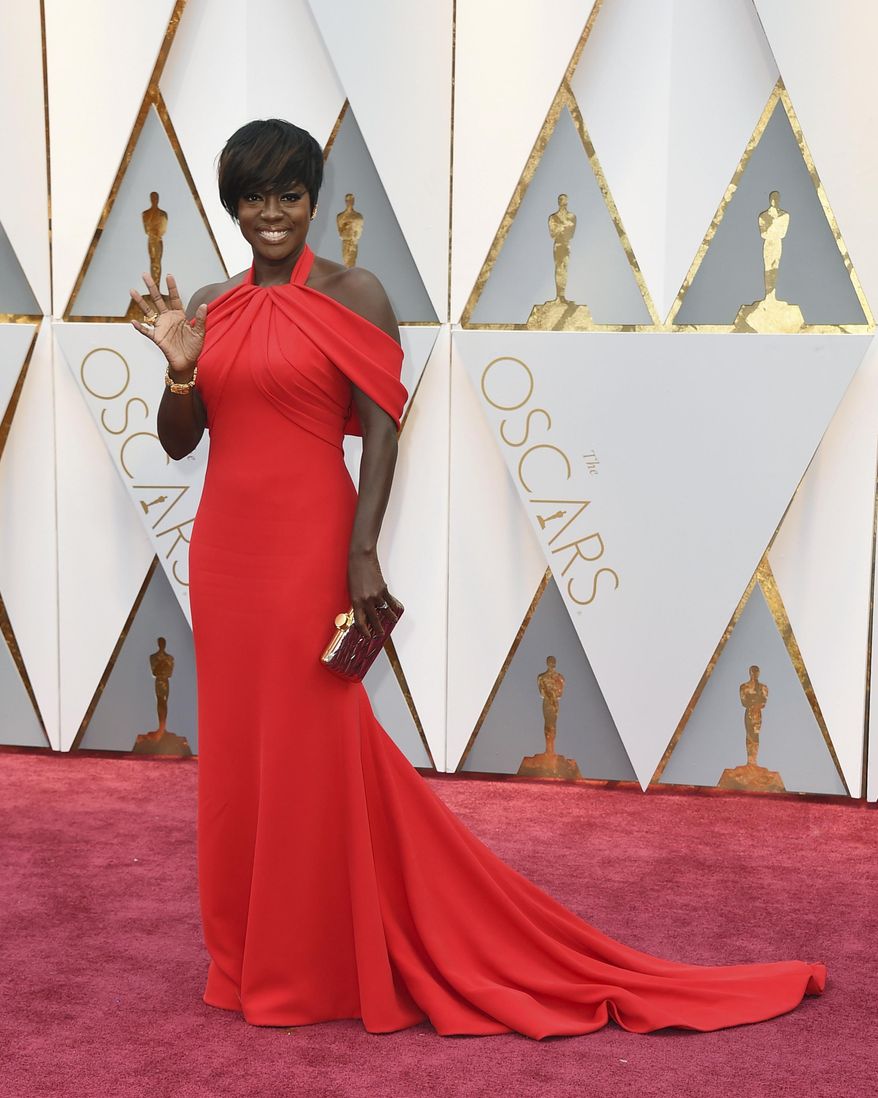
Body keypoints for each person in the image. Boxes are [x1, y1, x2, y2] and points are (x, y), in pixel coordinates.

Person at [129, 118, 824, 1039]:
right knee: (238, 761)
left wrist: (362, 550)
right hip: (224, 555)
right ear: (231, 204)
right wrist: (180, 369)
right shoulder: (209, 304)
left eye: (289, 195)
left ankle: (306, 965)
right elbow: (183, 441)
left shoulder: (357, 291)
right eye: (253, 196)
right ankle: (245, 957)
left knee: (311, 746)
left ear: (314, 200)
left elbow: (382, 431)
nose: (271, 212)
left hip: (309, 548)